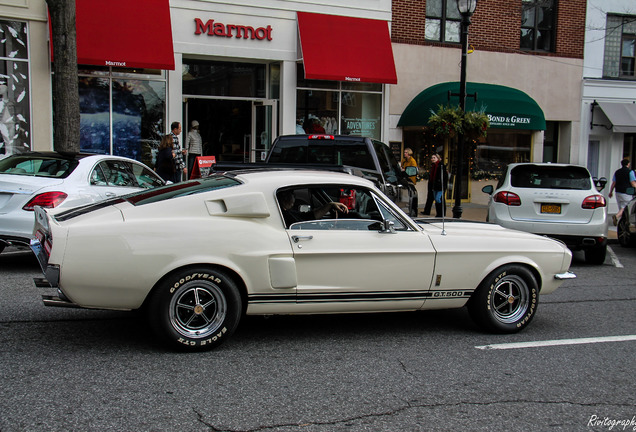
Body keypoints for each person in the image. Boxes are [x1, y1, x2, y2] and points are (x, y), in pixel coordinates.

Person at [278, 190, 348, 227]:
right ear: (285, 198)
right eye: (292, 194)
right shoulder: (283, 215)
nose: (294, 197)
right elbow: (305, 221)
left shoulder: (288, 212)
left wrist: (330, 205)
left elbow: (309, 216)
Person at [608, 158, 636, 225]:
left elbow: (614, 183)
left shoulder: (617, 172)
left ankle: (622, 222)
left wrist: (611, 192)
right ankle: (617, 216)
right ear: (628, 164)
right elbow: (632, 183)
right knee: (626, 207)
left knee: (621, 207)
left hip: (618, 192)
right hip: (626, 192)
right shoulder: (630, 172)